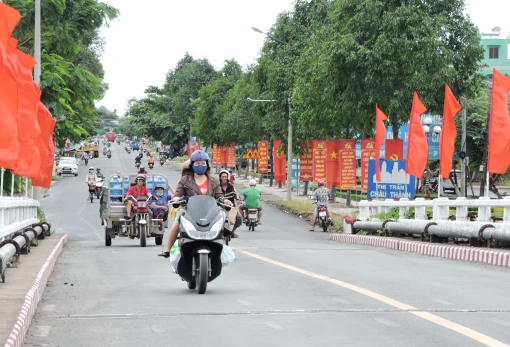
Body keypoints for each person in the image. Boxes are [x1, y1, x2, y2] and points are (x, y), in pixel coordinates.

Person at [159, 150, 231, 257]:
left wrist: (225, 201)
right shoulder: (185, 180)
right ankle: (168, 249)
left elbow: (219, 196)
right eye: (197, 163)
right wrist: (176, 198)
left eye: (203, 163)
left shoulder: (213, 181)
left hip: (210, 213)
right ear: (192, 165)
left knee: (223, 221)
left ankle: (221, 249)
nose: (200, 166)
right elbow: (178, 193)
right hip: (189, 212)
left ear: (207, 165)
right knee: (176, 223)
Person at [219, 169, 242, 238]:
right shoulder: (217, 186)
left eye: (225, 177)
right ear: (220, 177)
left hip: (231, 206)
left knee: (239, 218)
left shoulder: (232, 187)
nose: (224, 178)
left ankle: (232, 232)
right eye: (223, 177)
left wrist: (238, 200)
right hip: (219, 206)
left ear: (228, 177)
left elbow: (236, 194)